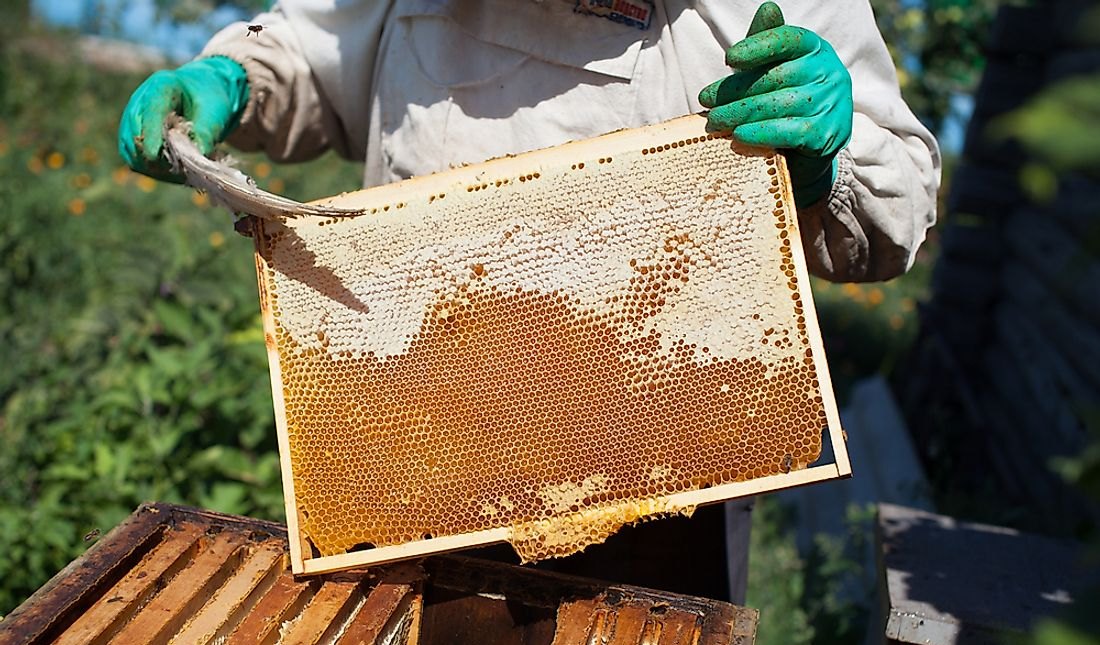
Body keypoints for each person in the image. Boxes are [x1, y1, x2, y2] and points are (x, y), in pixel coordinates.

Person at [119, 0, 940, 603]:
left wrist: (832, 165)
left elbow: (898, 200)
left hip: (654, 481)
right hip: (412, 451)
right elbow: (317, 49)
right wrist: (232, 77)